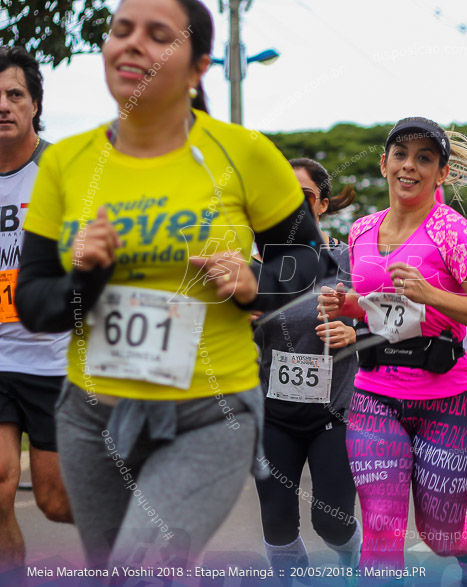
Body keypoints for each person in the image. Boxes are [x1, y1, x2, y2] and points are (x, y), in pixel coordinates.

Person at [15, 0, 328, 568]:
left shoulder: (244, 153)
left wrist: (256, 283)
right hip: (94, 415)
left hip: (209, 413)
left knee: (144, 567)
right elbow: (38, 306)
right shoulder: (66, 163)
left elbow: (308, 258)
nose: (131, 44)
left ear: (197, 67)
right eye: (120, 30)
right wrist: (87, 277)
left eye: (158, 35)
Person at [317, 117, 467, 583]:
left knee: (441, 534)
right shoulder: (361, 231)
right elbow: (380, 311)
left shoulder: (454, 233)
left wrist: (431, 294)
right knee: (381, 530)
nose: (410, 166)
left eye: (425, 158)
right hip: (374, 394)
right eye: (401, 154)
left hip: (449, 398)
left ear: (441, 173)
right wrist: (348, 305)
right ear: (384, 164)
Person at [251, 159, 361, 577]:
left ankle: (352, 555)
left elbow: (387, 321)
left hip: (334, 415)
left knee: (331, 523)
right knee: (277, 527)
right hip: (272, 416)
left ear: (323, 205)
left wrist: (356, 334)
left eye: (305, 196)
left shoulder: (348, 259)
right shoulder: (255, 268)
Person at [0, 46, 73, 573]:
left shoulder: (65, 173)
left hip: (55, 359)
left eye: (14, 94)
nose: (3, 105)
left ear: (35, 104)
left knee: (54, 500)